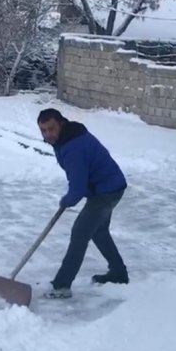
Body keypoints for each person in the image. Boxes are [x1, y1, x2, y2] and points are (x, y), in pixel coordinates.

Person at [36, 108, 129, 299]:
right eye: (43, 130)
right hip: (109, 186)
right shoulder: (67, 137)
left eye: (51, 129)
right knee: (99, 232)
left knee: (80, 233)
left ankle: (62, 285)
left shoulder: (73, 146)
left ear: (61, 124)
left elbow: (77, 186)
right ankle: (118, 272)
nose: (48, 135)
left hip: (106, 191)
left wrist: (68, 200)